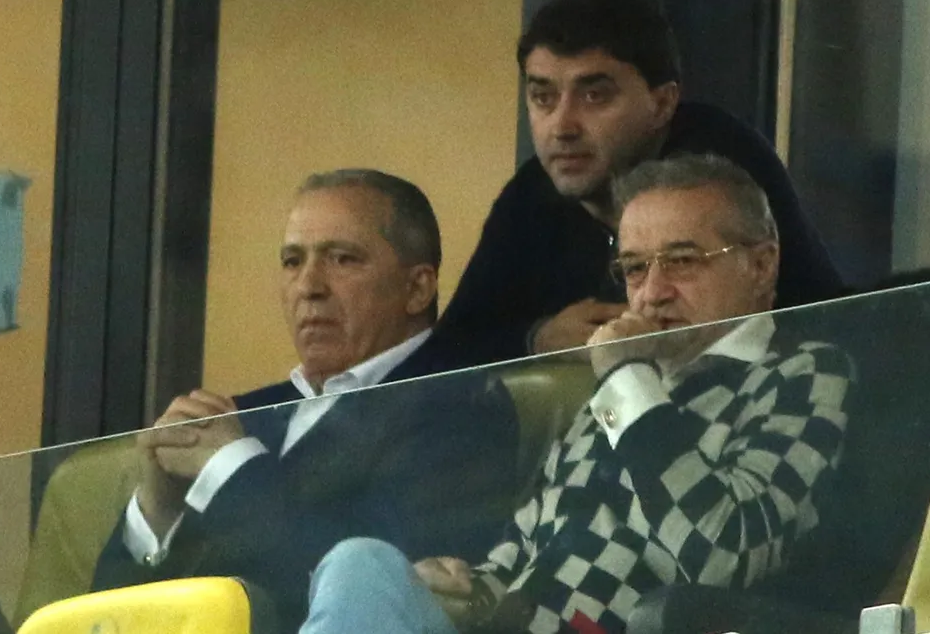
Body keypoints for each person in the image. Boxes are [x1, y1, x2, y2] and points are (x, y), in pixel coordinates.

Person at [296, 154, 854, 634]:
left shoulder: (800, 372)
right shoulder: (624, 384)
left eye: (683, 262)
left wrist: (628, 382)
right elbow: (524, 554)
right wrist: (471, 589)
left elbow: (723, 555)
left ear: (761, 264)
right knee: (361, 563)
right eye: (634, 268)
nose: (652, 293)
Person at [92, 169, 519, 631]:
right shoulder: (244, 417)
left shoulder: (462, 405)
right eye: (293, 262)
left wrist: (231, 470)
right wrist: (158, 510)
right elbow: (99, 619)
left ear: (417, 289)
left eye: (342, 259)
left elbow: (367, 588)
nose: (309, 286)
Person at [436, 0, 843, 366]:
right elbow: (437, 359)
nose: (562, 127)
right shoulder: (531, 192)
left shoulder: (716, 170)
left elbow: (823, 323)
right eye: (543, 97)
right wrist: (537, 339)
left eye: (594, 96)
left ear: (662, 104)